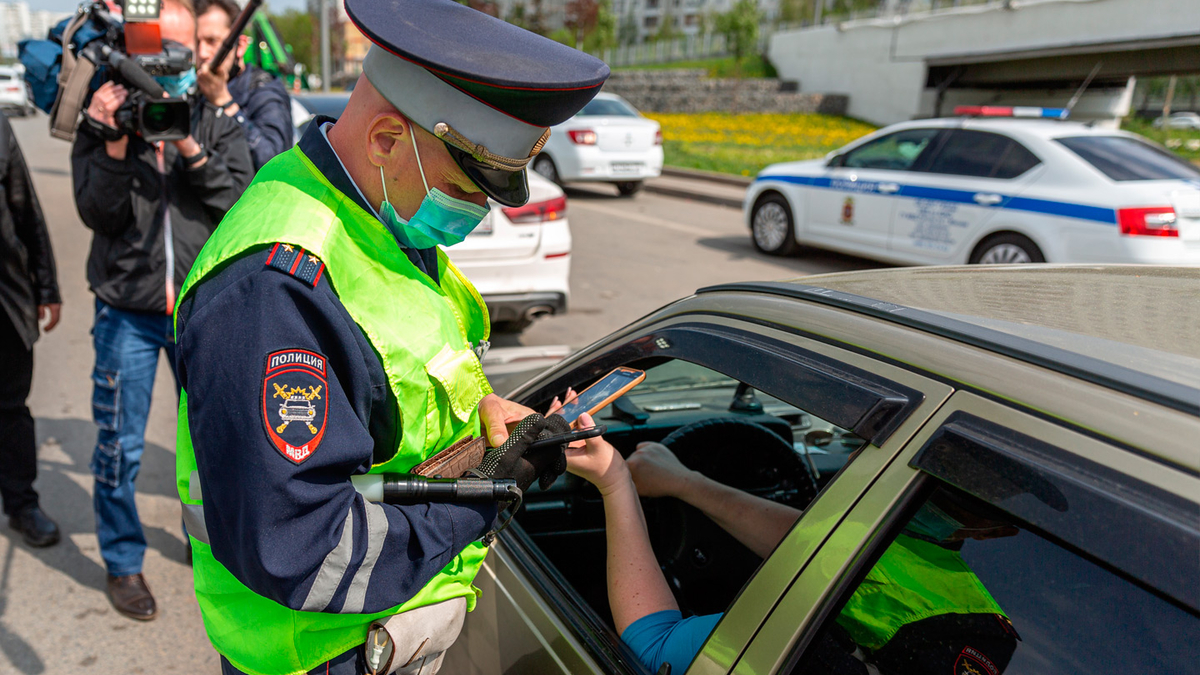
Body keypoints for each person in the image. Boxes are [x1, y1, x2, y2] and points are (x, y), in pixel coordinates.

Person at [171, 1, 609, 672]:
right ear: (384, 140)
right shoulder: (275, 287)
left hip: (393, 623)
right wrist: (485, 495)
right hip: (324, 651)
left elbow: (400, 388)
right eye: (468, 187)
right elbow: (298, 546)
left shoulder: (380, 214)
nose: (476, 212)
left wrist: (481, 430)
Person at [71, 0, 254, 622]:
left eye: (180, 53)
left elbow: (238, 201)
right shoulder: (107, 118)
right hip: (126, 308)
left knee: (213, 443)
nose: (167, 67)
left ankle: (213, 544)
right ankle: (123, 564)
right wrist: (116, 143)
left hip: (203, 313)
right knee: (118, 446)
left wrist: (188, 147)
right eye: (153, 53)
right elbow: (97, 215)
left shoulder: (212, 119)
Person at [565, 427, 1020, 675]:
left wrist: (614, 482)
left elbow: (653, 648)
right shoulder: (982, 623)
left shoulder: (808, 642)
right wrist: (687, 484)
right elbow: (817, 546)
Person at [0, 111, 62, 548]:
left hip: (5, 303)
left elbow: (25, 210)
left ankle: (22, 505)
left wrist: (47, 287)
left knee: (10, 409)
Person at [195, 0, 293, 170]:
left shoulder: (264, 91)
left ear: (240, 46)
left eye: (212, 41)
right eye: (197, 43)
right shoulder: (195, 93)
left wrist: (225, 102)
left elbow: (273, 162)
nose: (202, 53)